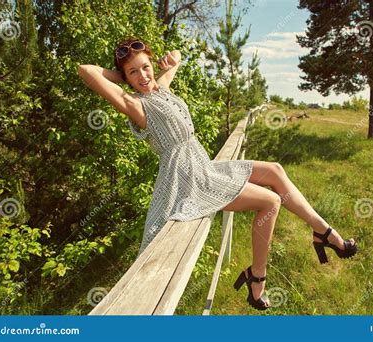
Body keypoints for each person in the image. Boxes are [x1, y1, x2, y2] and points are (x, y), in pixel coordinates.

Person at [78, 37, 357, 311]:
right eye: (133, 72)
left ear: (152, 64)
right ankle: (257, 278)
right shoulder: (136, 104)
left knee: (275, 170)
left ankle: (323, 231)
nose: (142, 75)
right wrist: (122, 74)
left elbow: (176, 56)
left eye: (145, 66)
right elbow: (86, 71)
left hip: (202, 165)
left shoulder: (159, 89)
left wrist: (169, 61)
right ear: (125, 77)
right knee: (271, 202)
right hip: (188, 180)